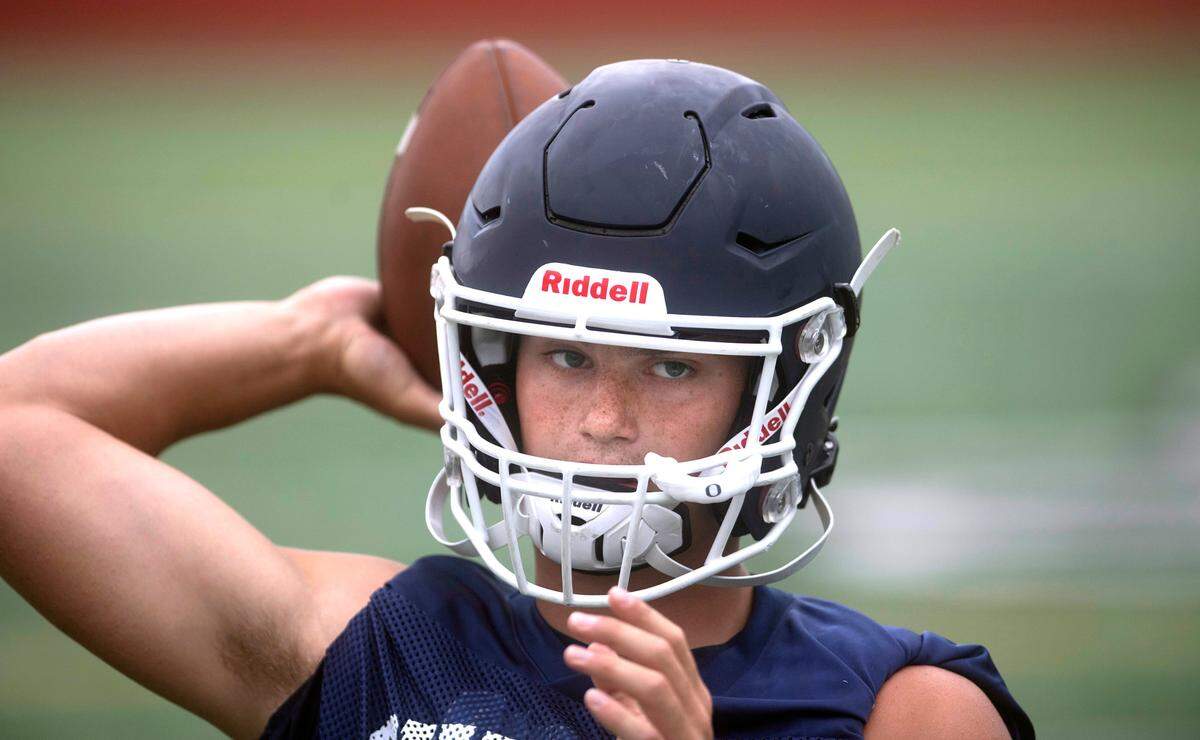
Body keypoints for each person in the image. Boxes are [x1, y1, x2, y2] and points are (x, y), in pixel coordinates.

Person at [0, 59, 1033, 739]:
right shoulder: (384, 649)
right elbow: (18, 430)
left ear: (783, 390)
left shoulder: (907, 708)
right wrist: (306, 342)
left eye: (671, 366)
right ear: (494, 369)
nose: (603, 420)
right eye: (566, 358)